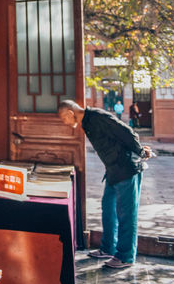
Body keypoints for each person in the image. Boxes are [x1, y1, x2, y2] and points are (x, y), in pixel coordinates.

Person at [58, 99, 152, 269]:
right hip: (113, 170)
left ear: (70, 113)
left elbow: (126, 131)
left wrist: (140, 151)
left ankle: (125, 256)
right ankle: (108, 248)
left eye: (63, 118)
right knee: (108, 208)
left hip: (126, 168)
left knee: (126, 214)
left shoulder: (97, 116)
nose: (64, 122)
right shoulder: (87, 122)